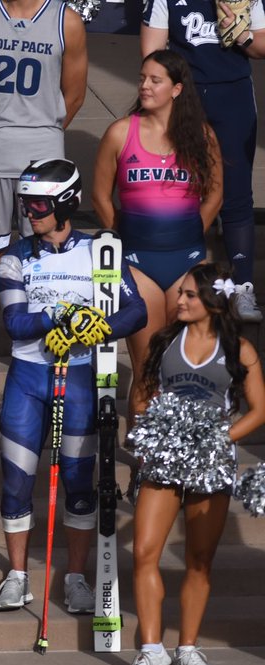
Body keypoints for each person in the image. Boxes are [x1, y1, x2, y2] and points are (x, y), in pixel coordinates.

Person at [0, 159, 146, 614]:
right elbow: (16, 324)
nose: (30, 213)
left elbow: (136, 312)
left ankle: (76, 578)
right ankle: (17, 577)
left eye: (38, 204)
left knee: (80, 483)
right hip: (28, 377)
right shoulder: (14, 256)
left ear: (66, 204)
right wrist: (61, 315)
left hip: (79, 378)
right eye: (25, 205)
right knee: (16, 481)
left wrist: (94, 330)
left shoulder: (101, 250)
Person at [123, 263, 265, 665]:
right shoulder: (165, 342)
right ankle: (151, 650)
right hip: (165, 461)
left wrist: (219, 437)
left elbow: (259, 409)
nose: (179, 300)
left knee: (199, 560)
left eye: (188, 295)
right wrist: (148, 429)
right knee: (145, 551)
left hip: (211, 463)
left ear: (211, 301)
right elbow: (141, 396)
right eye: (180, 293)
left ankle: (186, 648)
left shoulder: (239, 349)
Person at [0, 0, 87, 415]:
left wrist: (36, 134)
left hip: (43, 157)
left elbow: (74, 95)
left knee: (43, 260)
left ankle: (40, 362)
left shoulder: (67, 20)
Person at [92, 49, 223, 422]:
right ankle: (142, 469)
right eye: (142, 78)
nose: (144, 86)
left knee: (182, 370)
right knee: (147, 369)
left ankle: (176, 462)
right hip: (138, 265)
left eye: (155, 80)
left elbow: (215, 194)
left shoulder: (201, 136)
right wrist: (122, 234)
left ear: (177, 89)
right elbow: (100, 195)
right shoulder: (121, 132)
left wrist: (192, 232)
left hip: (187, 262)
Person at [142, 0, 265, 321]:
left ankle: (242, 287)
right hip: (187, 94)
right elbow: (152, 54)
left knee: (236, 190)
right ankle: (176, 277)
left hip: (232, 94)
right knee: (178, 186)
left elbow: (262, 44)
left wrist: (243, 37)